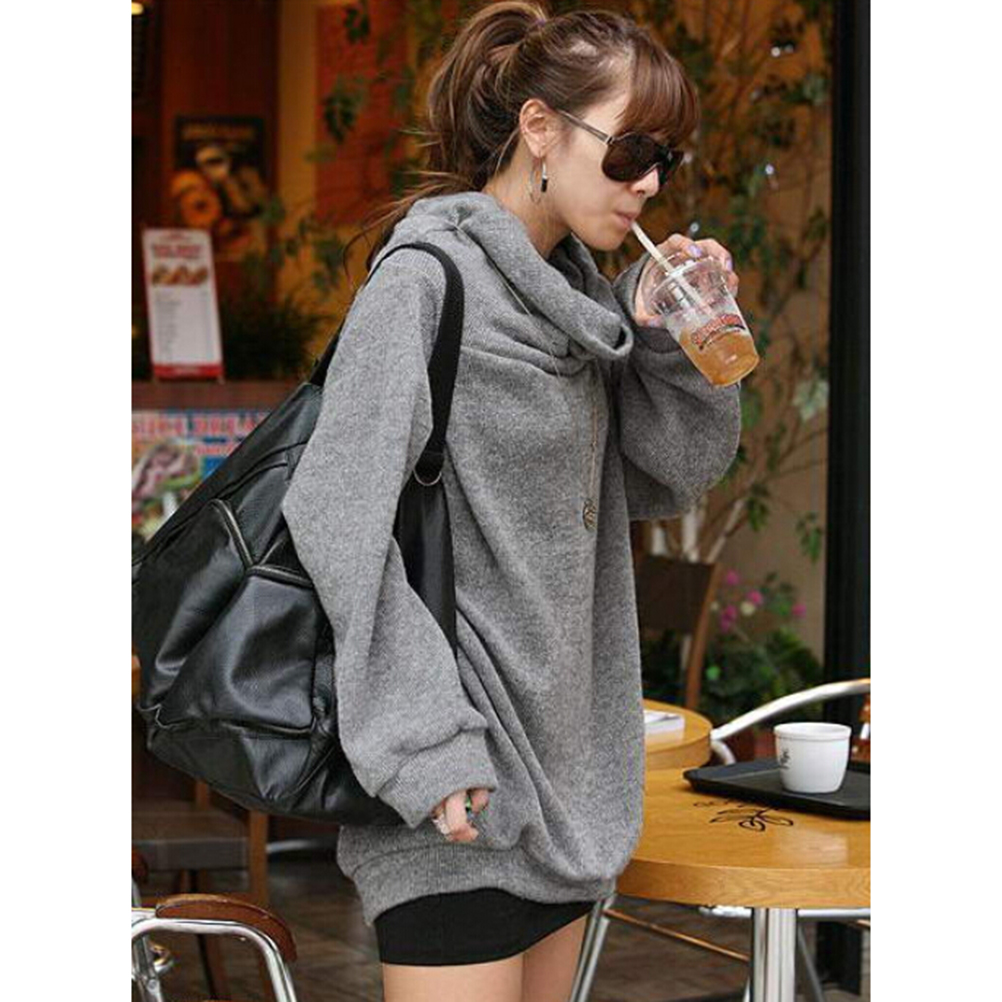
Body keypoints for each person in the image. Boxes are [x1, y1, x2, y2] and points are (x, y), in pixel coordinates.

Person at [281, 2, 745, 1000]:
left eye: (664, 160)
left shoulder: (581, 306)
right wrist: (425, 741)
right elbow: (334, 515)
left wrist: (667, 343)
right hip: (457, 784)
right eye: (630, 152)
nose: (649, 183)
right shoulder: (425, 284)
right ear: (540, 128)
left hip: (567, 783)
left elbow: (663, 479)